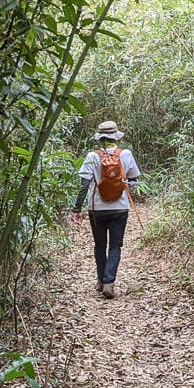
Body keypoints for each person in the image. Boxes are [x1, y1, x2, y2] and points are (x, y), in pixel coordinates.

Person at [69, 121, 140, 299]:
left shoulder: (92, 156)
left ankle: (101, 280)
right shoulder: (126, 154)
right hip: (120, 208)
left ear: (100, 139)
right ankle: (109, 282)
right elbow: (134, 180)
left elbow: (84, 183)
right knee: (115, 245)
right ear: (116, 136)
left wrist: (77, 207)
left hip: (96, 209)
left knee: (100, 245)